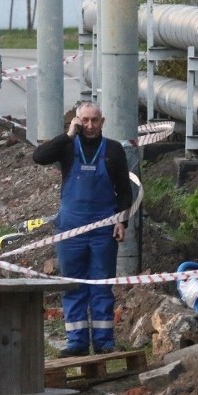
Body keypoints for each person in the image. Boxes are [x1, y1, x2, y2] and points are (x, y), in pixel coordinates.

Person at [32, 102, 133, 357]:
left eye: (94, 120)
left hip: (103, 229)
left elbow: (124, 190)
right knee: (72, 285)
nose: (89, 126)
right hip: (71, 229)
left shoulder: (113, 149)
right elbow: (39, 157)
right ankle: (76, 342)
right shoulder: (67, 147)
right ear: (77, 121)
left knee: (101, 286)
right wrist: (67, 135)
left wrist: (122, 221)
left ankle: (104, 342)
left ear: (103, 121)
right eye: (84, 120)